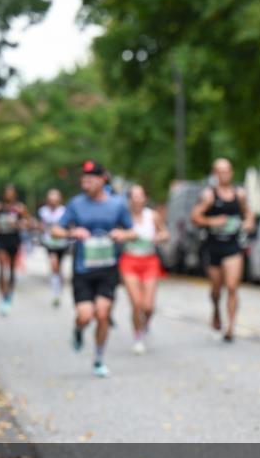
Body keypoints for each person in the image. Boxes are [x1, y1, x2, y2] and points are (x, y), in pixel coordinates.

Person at [50, 160, 135, 378]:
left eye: (90, 179)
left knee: (103, 313)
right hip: (83, 269)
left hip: (108, 269)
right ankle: (78, 330)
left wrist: (121, 235)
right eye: (83, 179)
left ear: (102, 179)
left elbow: (132, 232)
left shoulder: (117, 205)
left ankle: (98, 358)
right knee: (86, 316)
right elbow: (55, 231)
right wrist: (72, 233)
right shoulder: (76, 204)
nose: (85, 182)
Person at [190, 158, 255, 342]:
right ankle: (217, 309)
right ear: (215, 174)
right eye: (220, 171)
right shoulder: (209, 196)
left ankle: (231, 327)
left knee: (232, 286)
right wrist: (213, 221)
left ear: (231, 173)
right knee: (217, 289)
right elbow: (195, 217)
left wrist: (249, 223)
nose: (224, 174)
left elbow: (248, 213)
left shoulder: (239, 194)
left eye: (227, 170)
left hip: (233, 246)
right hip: (213, 246)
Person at [119, 184, 170, 354]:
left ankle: (146, 323)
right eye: (133, 196)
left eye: (140, 196)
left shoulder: (152, 216)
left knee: (148, 307)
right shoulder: (123, 217)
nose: (137, 199)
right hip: (130, 260)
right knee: (136, 303)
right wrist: (123, 235)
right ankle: (137, 337)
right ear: (129, 200)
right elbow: (116, 233)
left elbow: (165, 233)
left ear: (145, 198)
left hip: (149, 261)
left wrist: (159, 237)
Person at [0, 185, 30, 316]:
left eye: (11, 193)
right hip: (1, 239)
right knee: (2, 267)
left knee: (12, 269)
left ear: (15, 195)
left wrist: (17, 224)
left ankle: (9, 294)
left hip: (14, 239)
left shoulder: (20, 208)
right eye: (6, 192)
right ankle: (3, 296)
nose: (8, 195)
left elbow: (27, 223)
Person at [38, 189, 69, 307]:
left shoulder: (64, 211)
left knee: (59, 267)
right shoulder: (43, 211)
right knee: (54, 265)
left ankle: (59, 287)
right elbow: (42, 225)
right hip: (49, 243)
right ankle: (56, 293)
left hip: (62, 243)